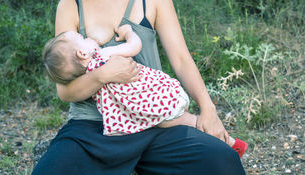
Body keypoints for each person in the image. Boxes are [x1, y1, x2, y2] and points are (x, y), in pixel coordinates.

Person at [32, 0, 247, 174]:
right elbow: (65, 92)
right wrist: (102, 75)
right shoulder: (69, 6)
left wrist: (207, 109)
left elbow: (180, 58)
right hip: (92, 129)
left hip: (153, 123)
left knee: (221, 161)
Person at [42, 24, 248, 157]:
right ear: (82, 52)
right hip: (151, 98)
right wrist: (129, 33)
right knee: (188, 120)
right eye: (81, 37)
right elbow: (134, 47)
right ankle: (229, 142)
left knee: (182, 121)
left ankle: (226, 143)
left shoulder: (89, 76)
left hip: (137, 113)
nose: (86, 36)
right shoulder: (104, 56)